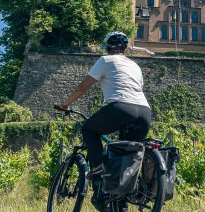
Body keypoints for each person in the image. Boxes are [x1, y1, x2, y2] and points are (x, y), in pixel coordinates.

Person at [58, 31, 152, 182]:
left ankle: (97, 169)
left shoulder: (105, 60)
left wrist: (65, 104)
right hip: (145, 113)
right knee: (125, 157)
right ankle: (119, 202)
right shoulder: (135, 66)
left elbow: (83, 87)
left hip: (121, 108)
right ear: (125, 48)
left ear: (107, 47)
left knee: (88, 129)